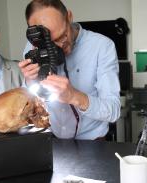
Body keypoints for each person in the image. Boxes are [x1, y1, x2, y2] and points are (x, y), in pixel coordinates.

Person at [19, 0, 121, 140]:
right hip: (51, 140)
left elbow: (113, 110)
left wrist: (74, 96)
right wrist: (29, 82)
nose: (60, 46)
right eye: (51, 42)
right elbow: (28, 104)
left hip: (92, 143)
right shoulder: (34, 48)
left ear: (69, 17)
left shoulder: (102, 46)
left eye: (62, 35)